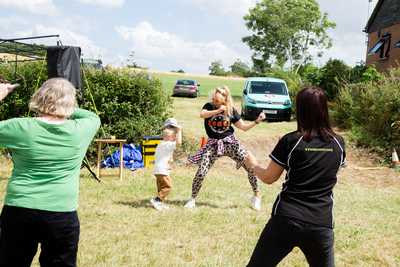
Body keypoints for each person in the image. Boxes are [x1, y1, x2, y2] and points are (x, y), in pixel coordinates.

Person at [0, 78, 100, 267]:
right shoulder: (83, 128)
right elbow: (90, 115)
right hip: (61, 213)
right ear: (70, 103)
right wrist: (64, 104)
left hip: (19, 210)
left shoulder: (20, 127)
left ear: (38, 98)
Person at [244, 86, 346, 267]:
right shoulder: (339, 143)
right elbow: (332, 177)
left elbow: (269, 178)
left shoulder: (291, 140)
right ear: (324, 109)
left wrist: (252, 165)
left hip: (286, 220)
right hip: (321, 223)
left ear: (301, 109)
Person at [184, 86, 266, 210]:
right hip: (213, 144)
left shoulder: (231, 110)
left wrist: (257, 121)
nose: (214, 102)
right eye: (213, 99)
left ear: (223, 100)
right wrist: (217, 111)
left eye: (217, 101)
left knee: (250, 166)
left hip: (230, 143)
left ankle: (256, 196)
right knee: (201, 172)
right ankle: (192, 199)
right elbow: (202, 114)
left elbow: (243, 127)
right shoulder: (209, 106)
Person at [150, 119, 182, 211]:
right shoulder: (167, 144)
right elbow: (179, 143)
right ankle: (156, 200)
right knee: (168, 187)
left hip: (159, 170)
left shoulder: (162, 144)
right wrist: (179, 131)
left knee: (161, 187)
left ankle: (159, 202)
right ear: (168, 138)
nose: (175, 140)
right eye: (174, 138)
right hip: (162, 170)